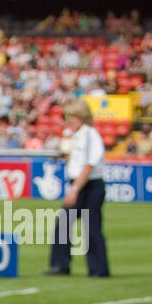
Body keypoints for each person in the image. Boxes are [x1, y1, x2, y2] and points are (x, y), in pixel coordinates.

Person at [47, 99, 109, 277]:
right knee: (64, 225)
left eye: (72, 118)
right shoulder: (77, 136)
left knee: (91, 227)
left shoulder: (90, 135)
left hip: (89, 185)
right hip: (79, 183)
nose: (69, 121)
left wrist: (74, 189)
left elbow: (89, 165)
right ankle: (60, 264)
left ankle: (98, 269)